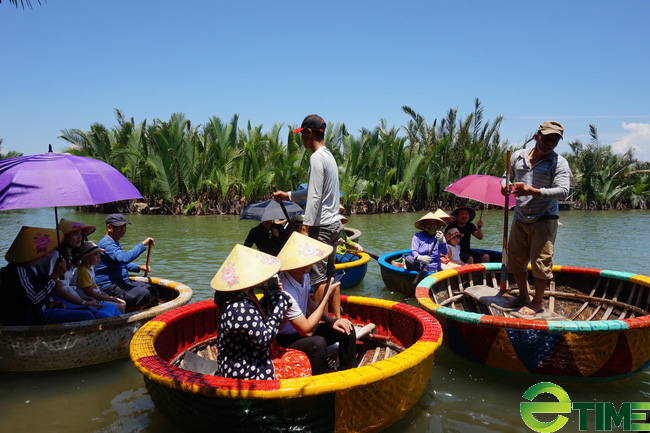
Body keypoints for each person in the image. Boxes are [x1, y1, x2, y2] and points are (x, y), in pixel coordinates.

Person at [273, 114, 343, 318]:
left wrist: (305, 227)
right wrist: (287, 195)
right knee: (330, 274)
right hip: (334, 224)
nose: (301, 138)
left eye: (302, 134)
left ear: (309, 133)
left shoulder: (316, 157)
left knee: (317, 278)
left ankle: (322, 322)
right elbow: (314, 190)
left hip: (321, 227)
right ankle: (335, 317)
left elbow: (314, 197)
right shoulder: (329, 156)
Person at [501, 120, 571, 315]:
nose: (550, 143)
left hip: (544, 218)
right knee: (516, 260)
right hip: (520, 216)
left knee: (541, 263)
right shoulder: (518, 156)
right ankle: (523, 295)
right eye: (547, 138)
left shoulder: (559, 162)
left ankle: (537, 302)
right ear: (536, 137)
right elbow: (507, 175)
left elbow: (564, 191)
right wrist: (505, 184)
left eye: (555, 140)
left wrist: (535, 191)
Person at [276, 232, 356, 375]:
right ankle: (322, 382)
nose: (313, 262)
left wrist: (331, 321)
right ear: (300, 263)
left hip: (299, 331)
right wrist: (326, 296)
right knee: (318, 343)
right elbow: (307, 331)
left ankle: (347, 374)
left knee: (346, 329)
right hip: (284, 339)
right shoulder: (285, 290)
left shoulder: (303, 276)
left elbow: (307, 303)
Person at [211, 244, 290, 380]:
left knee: (299, 356)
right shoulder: (238, 307)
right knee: (299, 363)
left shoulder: (242, 295)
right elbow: (264, 340)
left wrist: (269, 298)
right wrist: (279, 308)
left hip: (250, 357)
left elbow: (257, 319)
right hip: (242, 369)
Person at [0, 226, 95, 325]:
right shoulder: (19, 270)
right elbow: (34, 300)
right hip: (28, 317)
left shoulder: (34, 267)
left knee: (88, 311)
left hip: (41, 311)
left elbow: (41, 287)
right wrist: (55, 275)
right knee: (87, 315)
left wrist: (50, 302)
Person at [39, 218, 120, 319]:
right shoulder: (55, 257)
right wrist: (83, 302)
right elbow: (59, 290)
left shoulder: (68, 258)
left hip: (71, 296)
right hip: (59, 299)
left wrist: (84, 298)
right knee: (98, 313)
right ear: (64, 237)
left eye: (80, 234)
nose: (79, 237)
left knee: (111, 308)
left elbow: (68, 286)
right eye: (75, 234)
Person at [95, 213, 157, 312]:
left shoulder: (114, 241)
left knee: (152, 290)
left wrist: (138, 267)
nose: (123, 229)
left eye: (124, 226)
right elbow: (124, 259)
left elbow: (119, 263)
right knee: (143, 294)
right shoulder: (107, 243)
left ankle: (132, 309)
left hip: (121, 281)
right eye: (119, 227)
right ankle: (131, 315)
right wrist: (143, 244)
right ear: (109, 227)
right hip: (108, 286)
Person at [76, 241, 126, 315]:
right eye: (95, 254)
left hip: (97, 297)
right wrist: (111, 299)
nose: (98, 257)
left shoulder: (89, 269)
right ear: (85, 258)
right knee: (120, 306)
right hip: (92, 300)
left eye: (99, 254)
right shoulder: (83, 271)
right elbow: (90, 293)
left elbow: (95, 287)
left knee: (122, 303)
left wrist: (107, 296)